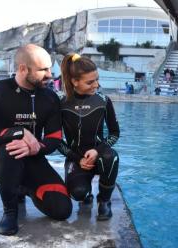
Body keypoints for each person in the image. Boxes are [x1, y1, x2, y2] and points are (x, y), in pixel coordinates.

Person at [0, 44, 72, 236]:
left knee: (62, 210)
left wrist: (35, 148)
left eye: (50, 68)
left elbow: (54, 139)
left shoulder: (50, 97)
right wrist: (18, 133)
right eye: (43, 70)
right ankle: (10, 211)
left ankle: (23, 187)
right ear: (23, 68)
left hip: (34, 158)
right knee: (11, 149)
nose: (50, 74)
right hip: (0, 160)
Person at [59, 53, 120, 221]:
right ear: (74, 81)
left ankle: (104, 202)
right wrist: (77, 159)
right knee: (78, 194)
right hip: (76, 158)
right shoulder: (61, 103)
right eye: (90, 82)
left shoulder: (103, 100)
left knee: (111, 157)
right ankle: (86, 193)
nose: (97, 85)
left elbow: (115, 133)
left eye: (97, 79)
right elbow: (57, 140)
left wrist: (96, 150)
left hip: (99, 155)